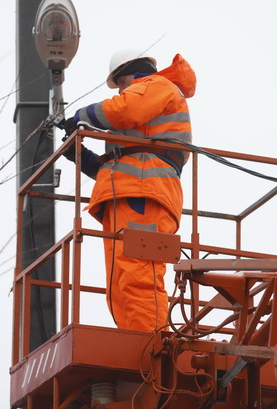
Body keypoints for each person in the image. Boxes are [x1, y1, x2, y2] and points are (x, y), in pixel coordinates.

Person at [61, 49, 196, 332]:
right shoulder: (143, 118)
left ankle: (149, 347)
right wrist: (83, 158)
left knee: (138, 274)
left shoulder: (156, 86)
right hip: (135, 192)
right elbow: (122, 165)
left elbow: (125, 109)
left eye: (121, 85)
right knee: (120, 281)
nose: (121, 93)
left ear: (132, 75)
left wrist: (80, 116)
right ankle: (134, 342)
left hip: (146, 193)